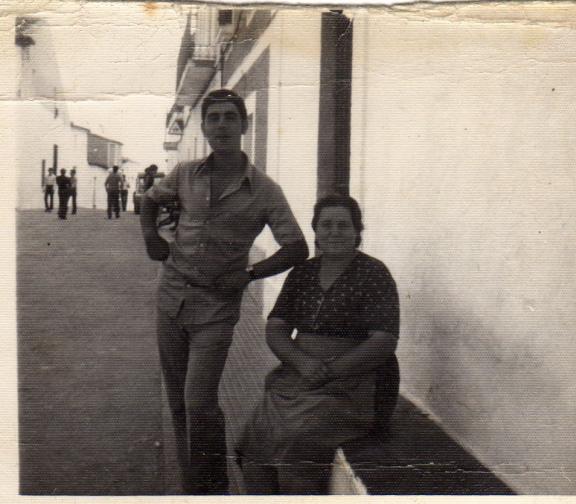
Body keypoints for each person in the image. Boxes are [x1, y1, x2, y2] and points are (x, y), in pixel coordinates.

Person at [140, 89, 308, 495]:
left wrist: (249, 274)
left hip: (215, 310)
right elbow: (149, 200)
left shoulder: (265, 190)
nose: (221, 125)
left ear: (244, 124)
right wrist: (150, 237)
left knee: (199, 401)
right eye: (213, 118)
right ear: (204, 127)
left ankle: (213, 488)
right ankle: (192, 486)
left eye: (230, 117)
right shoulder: (185, 174)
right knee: (177, 402)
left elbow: (297, 247)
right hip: (170, 298)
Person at [237, 194, 400, 495]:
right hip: (298, 379)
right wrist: (303, 363)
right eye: (326, 225)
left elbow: (383, 341)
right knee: (255, 438)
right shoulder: (303, 273)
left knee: (297, 440)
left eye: (343, 225)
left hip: (350, 385)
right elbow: (276, 327)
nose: (334, 232)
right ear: (315, 230)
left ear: (357, 231)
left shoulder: (374, 273)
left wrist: (330, 370)